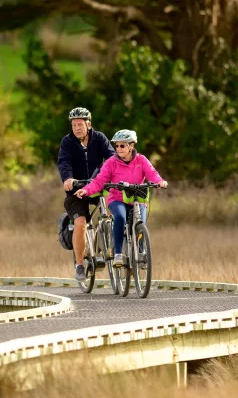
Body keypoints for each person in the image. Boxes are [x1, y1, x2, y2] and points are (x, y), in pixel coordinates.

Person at [75, 130, 168, 268]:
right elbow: (99, 181)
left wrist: (160, 182)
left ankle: (141, 252)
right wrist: (86, 190)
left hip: (137, 199)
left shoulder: (141, 160)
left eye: (122, 146)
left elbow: (152, 173)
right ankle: (118, 254)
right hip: (117, 199)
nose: (118, 149)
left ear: (131, 146)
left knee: (141, 223)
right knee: (120, 218)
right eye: (116, 146)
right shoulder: (111, 162)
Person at [58, 107, 115, 281]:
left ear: (88, 124)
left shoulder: (99, 138)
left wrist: (110, 175)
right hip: (76, 190)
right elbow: (64, 162)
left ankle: (109, 243)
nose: (77, 128)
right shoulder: (67, 142)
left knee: (112, 209)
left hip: (97, 185)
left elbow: (112, 157)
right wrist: (68, 178)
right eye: (74, 125)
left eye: (80, 124)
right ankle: (80, 264)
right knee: (80, 223)